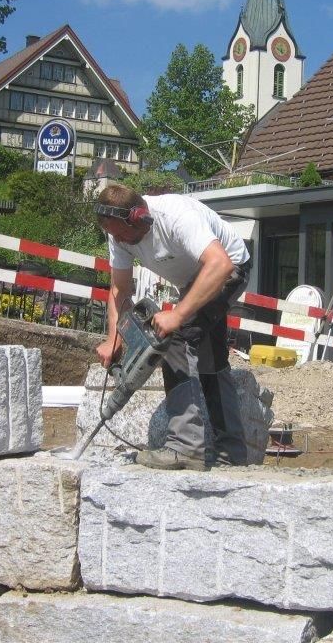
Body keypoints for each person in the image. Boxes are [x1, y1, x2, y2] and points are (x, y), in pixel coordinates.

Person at [94, 183, 252, 471]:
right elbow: (119, 289)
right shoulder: (118, 235)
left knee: (174, 335)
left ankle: (185, 447)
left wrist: (177, 315)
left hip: (229, 269)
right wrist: (113, 338)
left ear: (141, 216)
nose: (119, 241)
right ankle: (231, 450)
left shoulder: (176, 216)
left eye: (121, 233)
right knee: (210, 360)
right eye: (113, 235)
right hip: (195, 279)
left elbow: (220, 264)